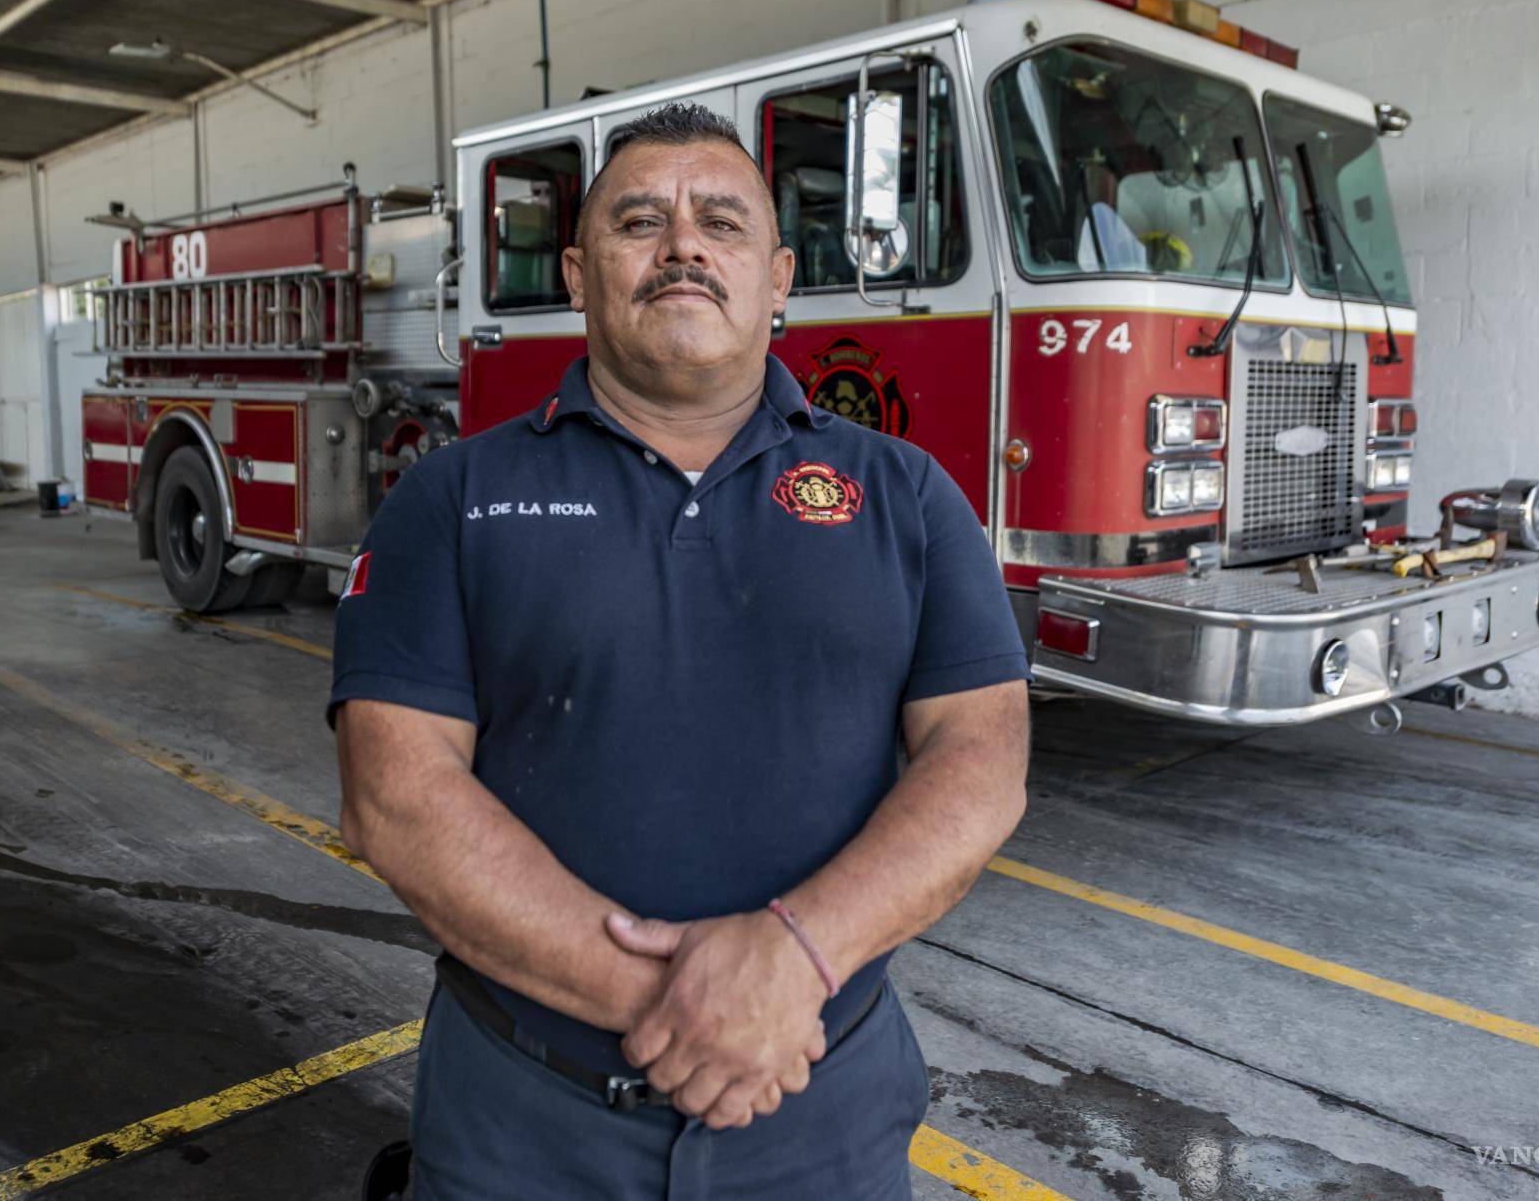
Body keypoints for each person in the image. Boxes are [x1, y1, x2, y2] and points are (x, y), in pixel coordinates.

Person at [332, 102, 1031, 1200]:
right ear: (575, 273)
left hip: (821, 1121)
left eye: (720, 222)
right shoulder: (449, 499)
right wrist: (692, 1010)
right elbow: (394, 796)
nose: (683, 247)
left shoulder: (909, 496)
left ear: (778, 277)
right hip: (523, 1123)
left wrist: (795, 958)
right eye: (637, 222)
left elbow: (979, 762)